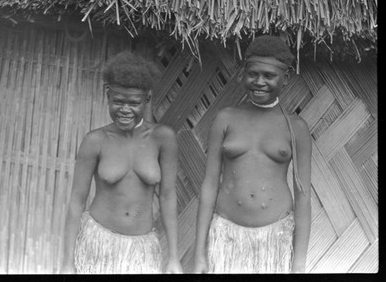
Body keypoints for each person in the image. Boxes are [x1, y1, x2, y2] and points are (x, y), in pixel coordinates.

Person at [194, 35, 312, 273]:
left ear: (285, 78)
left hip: (274, 238)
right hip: (227, 235)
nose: (259, 82)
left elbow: (304, 196)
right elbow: (209, 186)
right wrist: (199, 254)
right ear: (243, 74)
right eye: (253, 74)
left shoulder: (296, 127)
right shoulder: (225, 119)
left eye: (269, 76)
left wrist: (299, 263)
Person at [61, 51, 182, 274]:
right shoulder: (95, 140)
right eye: (118, 101)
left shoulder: (163, 138)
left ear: (147, 99)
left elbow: (167, 197)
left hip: (141, 248)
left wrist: (174, 258)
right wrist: (67, 263)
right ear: (107, 95)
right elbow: (77, 201)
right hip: (98, 243)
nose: (125, 110)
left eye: (134, 103)